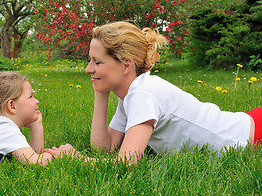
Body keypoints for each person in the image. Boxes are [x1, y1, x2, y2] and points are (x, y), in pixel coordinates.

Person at [85, 21, 261, 162]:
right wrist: (100, 93)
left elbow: (126, 164)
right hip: (247, 125)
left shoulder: (143, 94)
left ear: (126, 64)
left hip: (254, 136)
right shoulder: (132, 94)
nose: (88, 69)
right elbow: (104, 149)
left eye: (97, 62)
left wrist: (79, 159)